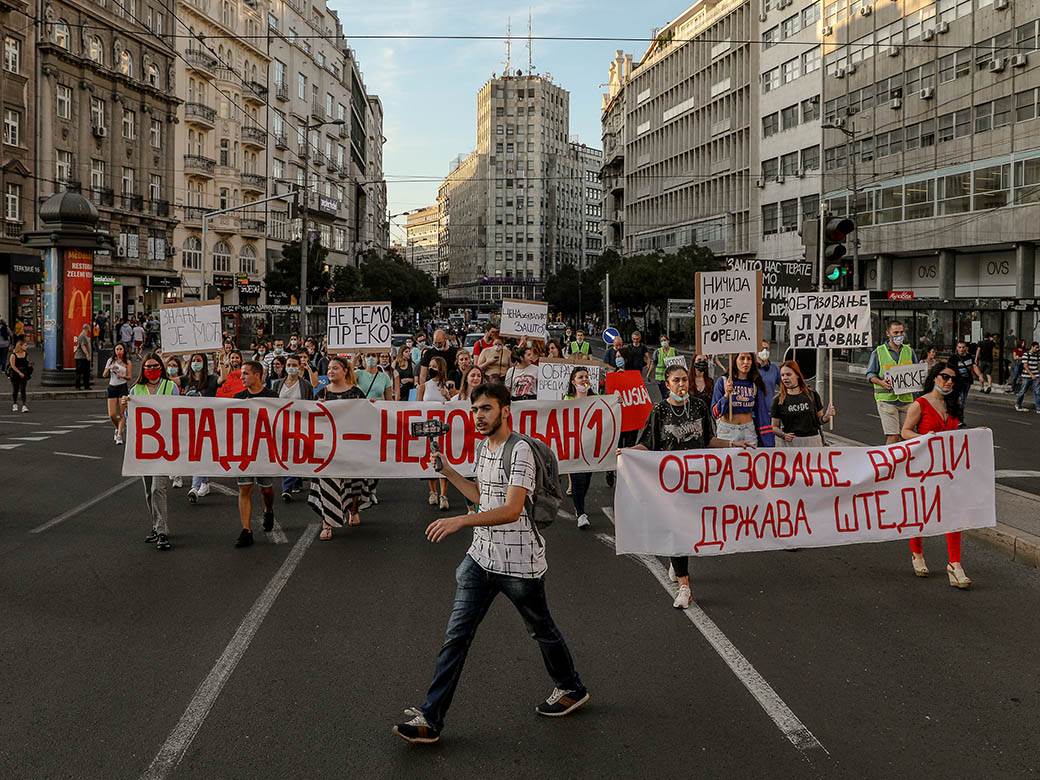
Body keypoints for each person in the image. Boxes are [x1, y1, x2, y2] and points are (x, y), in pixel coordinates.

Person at [393, 382, 589, 745]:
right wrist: (449, 472)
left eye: (485, 409)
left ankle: (570, 687)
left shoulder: (521, 451)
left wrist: (460, 521)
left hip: (518, 563)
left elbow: (513, 509)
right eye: (474, 410)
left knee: (541, 629)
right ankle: (430, 718)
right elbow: (483, 496)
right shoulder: (483, 448)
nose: (479, 417)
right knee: (456, 637)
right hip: (480, 559)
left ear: (505, 409)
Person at [630, 364, 751, 607]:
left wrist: (732, 445)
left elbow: (709, 439)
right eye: (676, 380)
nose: (682, 384)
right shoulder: (660, 411)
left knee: (692, 530)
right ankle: (685, 587)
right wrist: (629, 453)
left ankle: (677, 563)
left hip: (696, 481)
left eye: (684, 379)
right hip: (669, 484)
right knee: (677, 530)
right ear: (667, 384)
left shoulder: (698, 406)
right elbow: (647, 443)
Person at [900, 362, 972, 588]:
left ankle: (955, 564)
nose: (949, 381)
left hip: (948, 468)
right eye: (944, 377)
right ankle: (917, 554)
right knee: (921, 513)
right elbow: (905, 432)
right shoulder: (919, 405)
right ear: (934, 377)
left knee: (954, 514)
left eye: (952, 379)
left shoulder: (953, 405)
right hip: (923, 468)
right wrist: (924, 438)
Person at [308, 356, 373, 538]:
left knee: (353, 480)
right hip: (328, 446)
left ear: (345, 371)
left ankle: (353, 510)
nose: (330, 371)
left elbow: (366, 417)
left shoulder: (356, 393)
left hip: (351, 445)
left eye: (335, 368)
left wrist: (373, 407)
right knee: (327, 481)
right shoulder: (322, 393)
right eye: (329, 368)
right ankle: (327, 522)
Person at [127, 353, 179, 551]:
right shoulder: (136, 389)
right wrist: (125, 407)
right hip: (144, 447)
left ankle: (162, 531)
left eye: (155, 366)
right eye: (148, 366)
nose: (151, 369)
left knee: (158, 487)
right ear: (143, 369)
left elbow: (179, 412)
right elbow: (130, 417)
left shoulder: (170, 386)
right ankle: (156, 526)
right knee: (148, 490)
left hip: (164, 446)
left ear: (161, 367)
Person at [232, 361, 278, 548]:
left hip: (265, 450)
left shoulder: (272, 397)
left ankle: (268, 509)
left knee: (266, 489)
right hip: (244, 449)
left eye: (245, 373)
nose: (241, 377)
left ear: (257, 375)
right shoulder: (238, 397)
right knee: (245, 488)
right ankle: (246, 530)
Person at [866, 320, 919, 444]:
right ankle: (888, 462)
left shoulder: (909, 351)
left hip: (906, 400)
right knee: (893, 436)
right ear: (888, 333)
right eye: (895, 332)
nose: (899, 335)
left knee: (905, 437)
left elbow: (915, 371)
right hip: (886, 400)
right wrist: (881, 382)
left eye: (901, 332)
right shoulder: (878, 352)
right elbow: (870, 374)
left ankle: (901, 461)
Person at [271, 353, 314, 501]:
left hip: (299, 425)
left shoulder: (306, 386)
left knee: (294, 454)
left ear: (299, 367)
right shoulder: (277, 384)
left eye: (294, 365)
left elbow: (310, 405)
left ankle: (287, 487)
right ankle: (295, 479)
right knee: (284, 454)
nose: (291, 368)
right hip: (280, 425)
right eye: (288, 365)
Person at [710, 353, 776, 447]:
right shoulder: (724, 381)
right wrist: (726, 395)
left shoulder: (755, 383)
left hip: (748, 431)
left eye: (749, 359)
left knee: (750, 461)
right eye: (742, 358)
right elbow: (715, 413)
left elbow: (762, 414)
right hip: (727, 432)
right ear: (735, 360)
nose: (746, 362)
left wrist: (768, 442)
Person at [180, 353, 219, 503]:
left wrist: (222, 361)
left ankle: (195, 487)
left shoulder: (212, 379)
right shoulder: (186, 380)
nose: (196, 363)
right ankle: (205, 482)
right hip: (190, 422)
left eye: (199, 360)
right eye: (194, 360)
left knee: (199, 453)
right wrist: (165, 360)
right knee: (199, 453)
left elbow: (224, 379)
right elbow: (167, 381)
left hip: (208, 422)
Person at [770, 361, 835, 447]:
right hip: (790, 444)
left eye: (788, 374)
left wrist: (826, 417)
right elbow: (774, 427)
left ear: (797, 375)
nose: (785, 378)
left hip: (812, 442)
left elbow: (818, 421)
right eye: (782, 375)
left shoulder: (812, 395)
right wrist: (783, 435)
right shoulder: (778, 400)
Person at [418, 356, 453, 510]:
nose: (431, 369)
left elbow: (454, 406)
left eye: (434, 366)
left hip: (442, 428)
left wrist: (447, 395)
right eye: (430, 366)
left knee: (442, 458)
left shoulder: (448, 385)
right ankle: (433, 492)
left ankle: (444, 495)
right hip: (427, 427)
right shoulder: (423, 386)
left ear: (441, 369)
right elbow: (415, 407)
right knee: (429, 459)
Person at [564, 367, 596, 529]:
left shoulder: (595, 398)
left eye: (586, 377)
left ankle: (580, 503)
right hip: (574, 447)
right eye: (580, 377)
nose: (584, 379)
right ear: (573, 381)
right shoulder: (567, 399)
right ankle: (581, 513)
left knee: (586, 480)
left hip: (590, 447)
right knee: (578, 480)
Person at [102, 342, 132, 443]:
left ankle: (119, 435)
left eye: (121, 349)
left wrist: (122, 376)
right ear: (114, 351)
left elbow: (129, 377)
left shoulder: (127, 362)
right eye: (117, 349)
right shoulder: (110, 360)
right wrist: (110, 368)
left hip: (122, 387)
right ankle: (118, 427)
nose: (119, 351)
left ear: (124, 351)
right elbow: (104, 375)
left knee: (122, 413)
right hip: (112, 387)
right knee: (112, 415)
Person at [951, 340, 982, 423]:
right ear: (957, 348)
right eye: (959, 347)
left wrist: (980, 375)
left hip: (966, 382)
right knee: (960, 400)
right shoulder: (953, 358)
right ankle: (958, 419)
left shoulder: (969, 357)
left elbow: (974, 366)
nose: (961, 349)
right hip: (957, 383)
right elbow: (949, 370)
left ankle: (959, 418)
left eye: (963, 347)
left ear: (966, 348)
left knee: (963, 400)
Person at [650, 334, 678, 399]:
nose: (663, 342)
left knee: (672, 394)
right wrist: (649, 374)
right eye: (661, 341)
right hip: (661, 378)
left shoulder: (674, 350)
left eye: (665, 340)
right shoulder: (657, 352)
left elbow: (678, 362)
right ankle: (665, 407)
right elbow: (653, 363)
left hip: (672, 376)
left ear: (668, 341)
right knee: (664, 394)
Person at [8, 334, 31, 413]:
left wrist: (30, 366)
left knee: (23, 389)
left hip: (24, 372)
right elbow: (12, 366)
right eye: (25, 345)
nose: (26, 346)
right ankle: (15, 404)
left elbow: (27, 363)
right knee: (15, 389)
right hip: (15, 373)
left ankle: (24, 405)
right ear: (20, 346)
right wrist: (19, 372)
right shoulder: (13, 355)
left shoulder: (26, 354)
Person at [1015, 341, 1040, 413]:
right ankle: (1018, 404)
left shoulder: (1037, 355)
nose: (1037, 349)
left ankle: (1038, 408)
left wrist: (1037, 373)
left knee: (1037, 391)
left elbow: (1038, 365)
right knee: (1023, 391)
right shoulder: (1026, 354)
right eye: (1036, 347)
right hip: (1026, 376)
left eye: (1038, 347)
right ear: (1032, 347)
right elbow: (1025, 366)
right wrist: (1031, 375)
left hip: (1036, 375)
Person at [74, 323, 92, 390]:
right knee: (79, 372)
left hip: (83, 357)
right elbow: (83, 346)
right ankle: (78, 386)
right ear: (86, 328)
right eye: (89, 328)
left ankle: (86, 386)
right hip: (81, 357)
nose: (90, 329)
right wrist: (87, 354)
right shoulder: (82, 336)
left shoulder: (85, 336)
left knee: (86, 372)